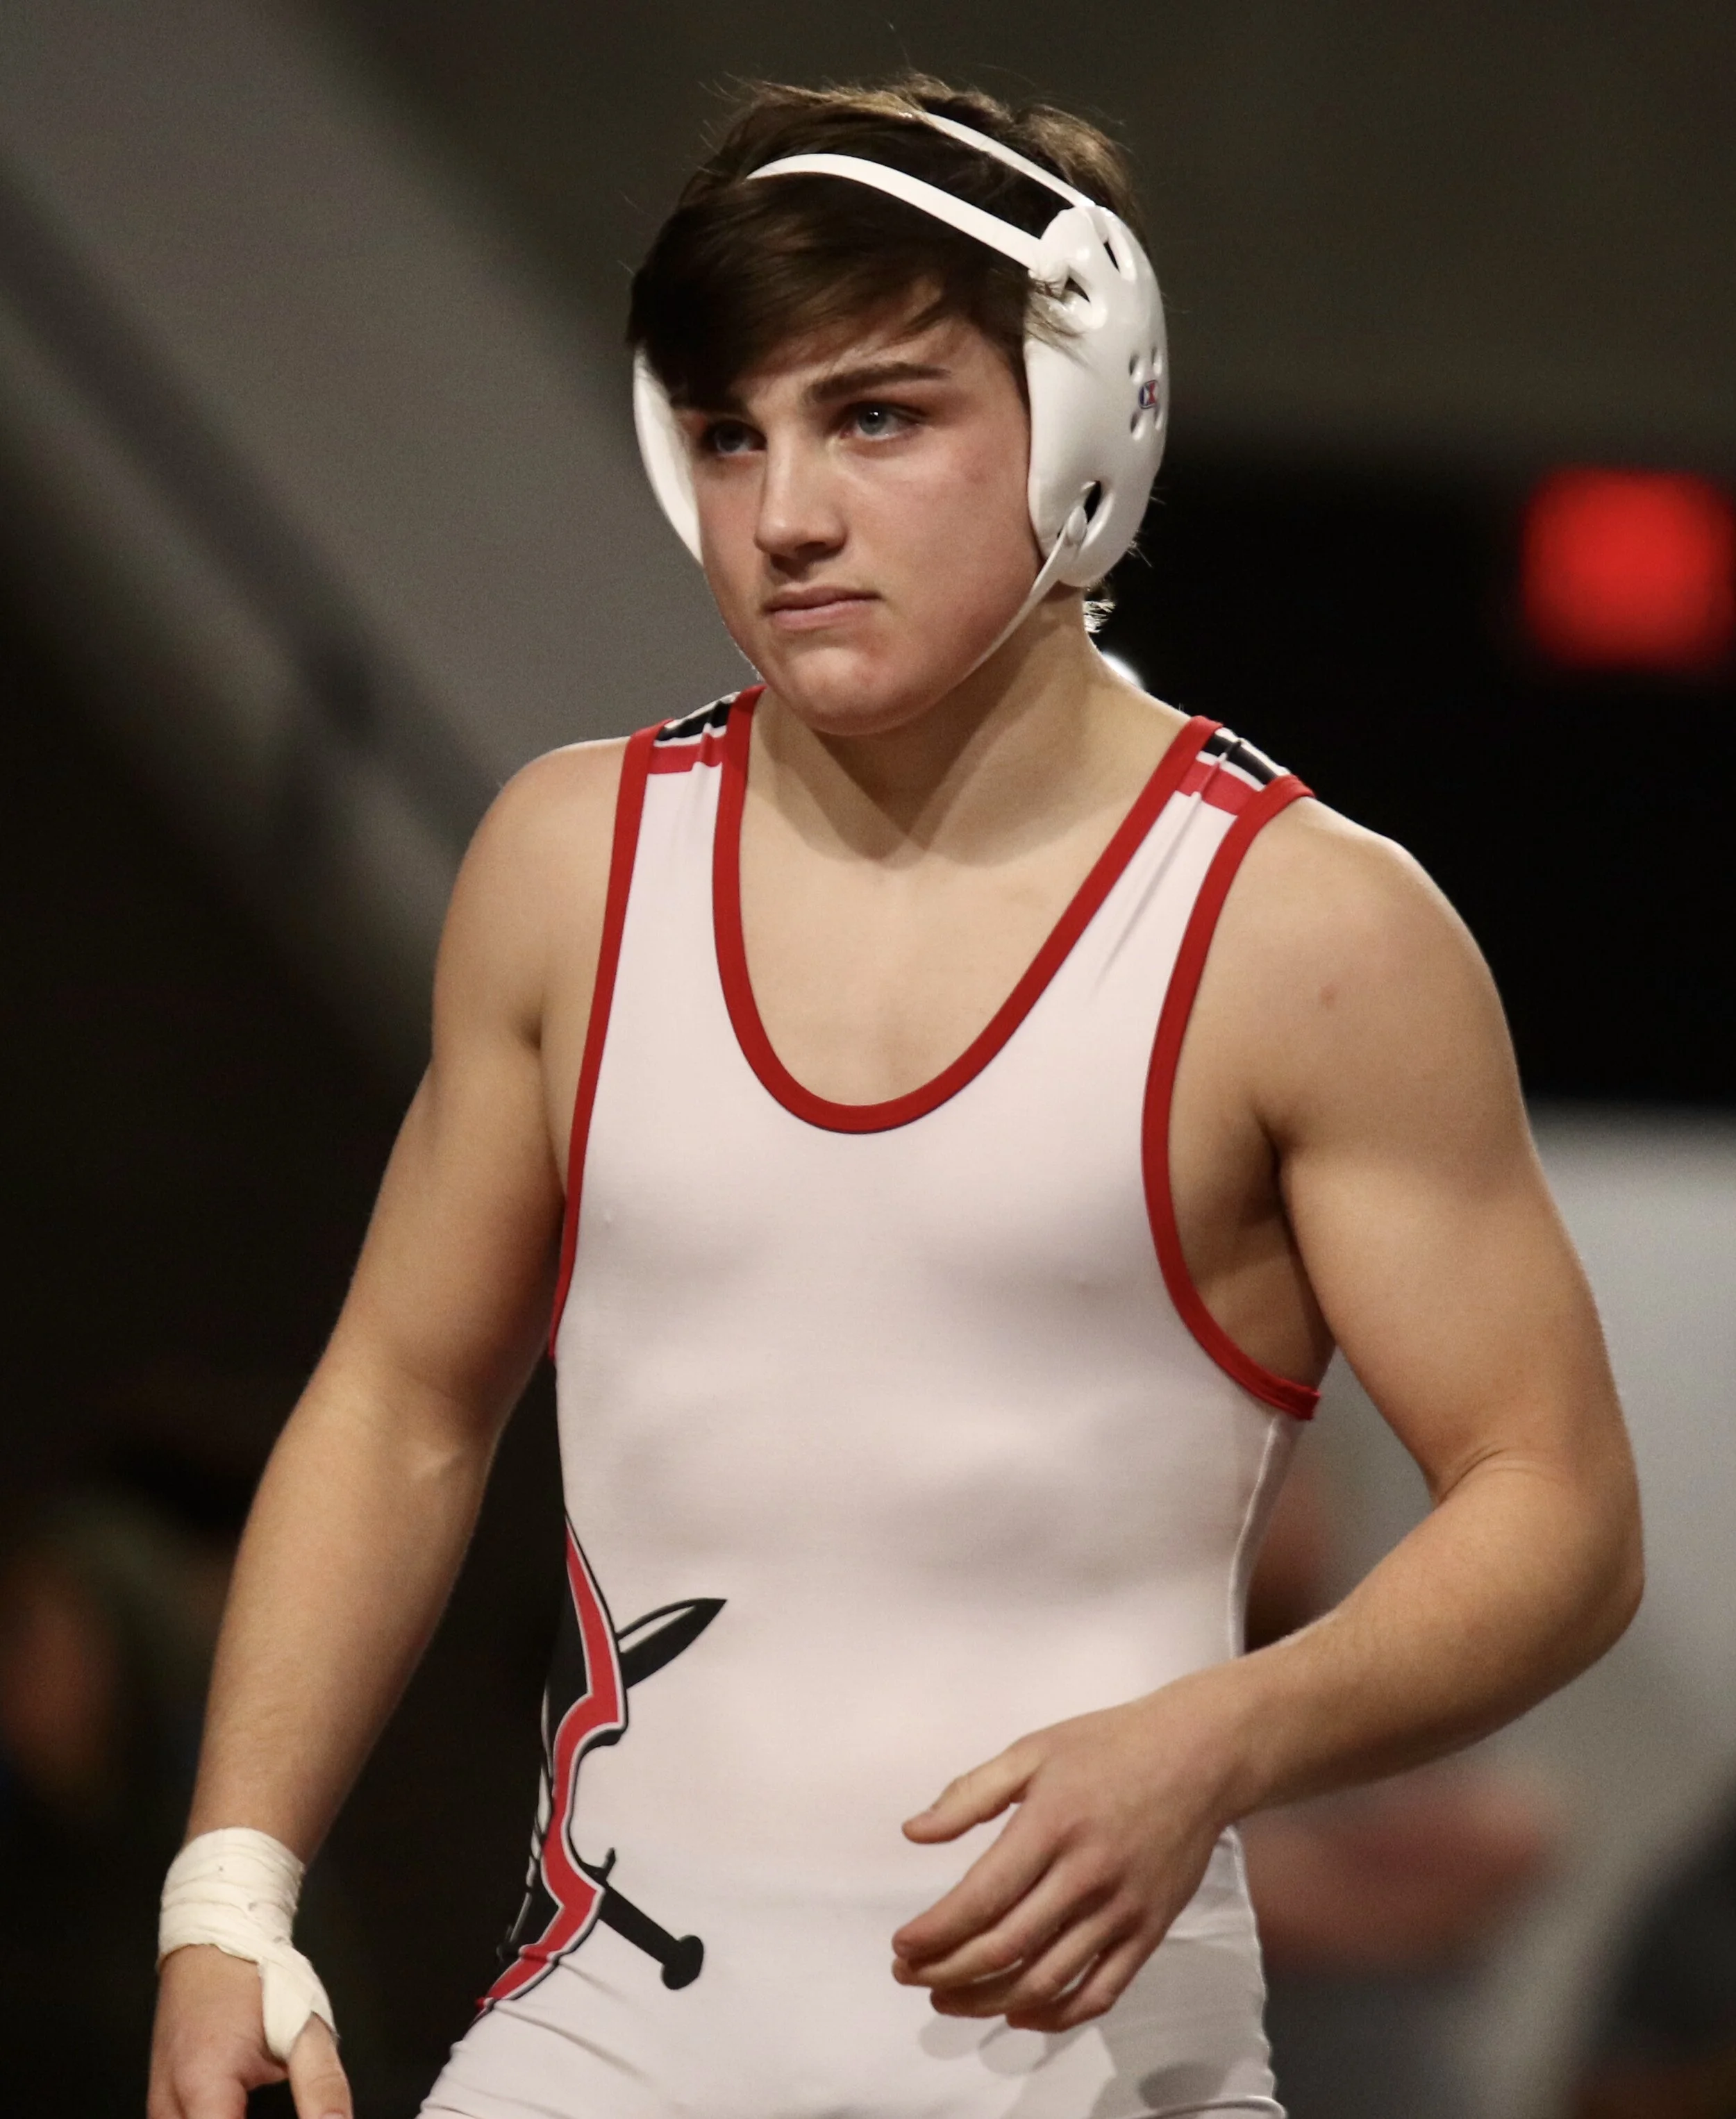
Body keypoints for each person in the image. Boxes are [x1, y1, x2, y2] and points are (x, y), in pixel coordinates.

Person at [149, 75, 1642, 2119]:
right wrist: (229, 1896)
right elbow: (403, 1400)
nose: (784, 515)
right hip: (599, 2042)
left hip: (1087, 2069)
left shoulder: (1298, 935)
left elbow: (1558, 1507)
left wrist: (1224, 1737)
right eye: (726, 433)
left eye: (874, 417)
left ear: (1090, 421)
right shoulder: (573, 869)